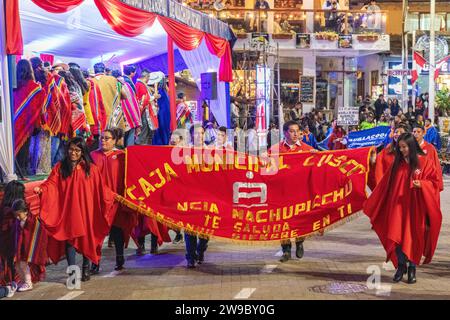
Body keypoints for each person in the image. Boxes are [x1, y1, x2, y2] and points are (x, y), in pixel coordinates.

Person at [364, 133, 442, 284]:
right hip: (397, 208)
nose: (401, 150)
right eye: (400, 147)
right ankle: (401, 266)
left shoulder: (425, 161)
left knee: (414, 237)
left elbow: (435, 182)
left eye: (404, 147)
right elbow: (384, 185)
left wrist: (423, 185)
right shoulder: (397, 164)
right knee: (397, 236)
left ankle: (412, 267)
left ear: (412, 146)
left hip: (416, 208)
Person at [34, 137, 115, 282]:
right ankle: (72, 273)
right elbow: (51, 183)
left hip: (87, 211)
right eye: (71, 149)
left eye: (77, 150)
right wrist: (42, 189)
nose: (73, 153)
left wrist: (110, 196)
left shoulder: (91, 169)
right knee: (69, 240)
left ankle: (85, 268)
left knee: (87, 239)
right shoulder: (60, 167)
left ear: (83, 152)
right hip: (69, 212)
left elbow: (100, 189)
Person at [90, 128, 138, 272]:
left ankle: (119, 258)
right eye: (102, 138)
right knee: (96, 233)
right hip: (97, 201)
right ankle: (95, 262)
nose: (103, 140)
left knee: (117, 231)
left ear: (115, 140)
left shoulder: (122, 156)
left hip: (116, 200)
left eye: (107, 138)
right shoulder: (92, 156)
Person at [270, 121, 315, 263]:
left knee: (299, 220)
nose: (295, 134)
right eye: (292, 131)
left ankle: (299, 242)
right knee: (283, 221)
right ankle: (286, 250)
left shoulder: (308, 149)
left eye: (297, 131)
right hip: (281, 193)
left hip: (300, 193)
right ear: (285, 133)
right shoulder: (275, 150)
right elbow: (266, 169)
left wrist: (317, 156)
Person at [13, 59, 46, 176]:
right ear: (30, 70)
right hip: (28, 124)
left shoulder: (13, 85)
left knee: (14, 147)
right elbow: (39, 105)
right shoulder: (35, 87)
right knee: (24, 148)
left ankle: (13, 171)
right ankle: (22, 172)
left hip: (14, 122)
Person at [185, 124, 210, 268]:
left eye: (201, 133)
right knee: (189, 228)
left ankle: (201, 249)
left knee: (206, 229)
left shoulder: (212, 153)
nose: (199, 136)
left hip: (207, 197)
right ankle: (190, 256)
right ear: (191, 135)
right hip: (189, 196)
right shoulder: (184, 152)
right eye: (196, 134)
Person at [412, 124, 443, 191]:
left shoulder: (430, 148)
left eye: (418, 132)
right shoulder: (409, 147)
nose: (416, 134)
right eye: (414, 132)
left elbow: (435, 166)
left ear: (423, 133)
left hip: (425, 181)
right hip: (411, 180)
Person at [135, 70, 160, 145]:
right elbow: (143, 100)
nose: (149, 79)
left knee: (149, 133)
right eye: (149, 77)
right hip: (144, 113)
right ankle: (142, 151)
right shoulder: (140, 85)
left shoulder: (142, 85)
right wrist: (153, 97)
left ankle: (147, 149)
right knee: (144, 133)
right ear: (146, 77)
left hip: (147, 112)